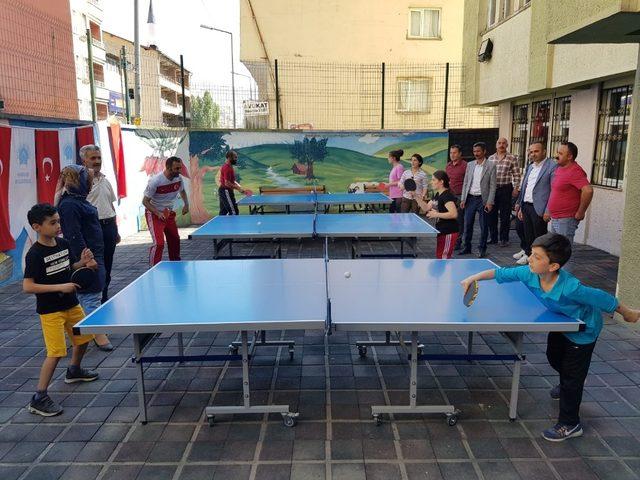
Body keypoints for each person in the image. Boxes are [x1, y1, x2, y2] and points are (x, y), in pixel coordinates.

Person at [460, 233, 639, 441]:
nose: (530, 259)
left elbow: (602, 297)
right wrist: (473, 278)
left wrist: (627, 312)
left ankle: (570, 424)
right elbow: (501, 274)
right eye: (531, 254)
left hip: (583, 330)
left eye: (536, 256)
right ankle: (568, 381)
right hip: (561, 322)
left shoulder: (571, 288)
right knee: (553, 357)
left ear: (553, 266)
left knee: (573, 378)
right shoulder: (529, 273)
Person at [23, 203, 99, 416]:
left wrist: (82, 263)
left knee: (84, 338)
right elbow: (27, 286)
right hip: (51, 311)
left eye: (58, 221)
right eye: (53, 222)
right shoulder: (34, 254)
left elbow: (67, 269)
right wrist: (59, 287)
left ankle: (74, 370)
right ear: (37, 226)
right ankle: (39, 397)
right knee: (56, 352)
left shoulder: (64, 244)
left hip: (71, 304)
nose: (58, 225)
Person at [57, 165, 112, 351]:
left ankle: (82, 328)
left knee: (94, 291)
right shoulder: (70, 204)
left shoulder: (77, 200)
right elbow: (73, 234)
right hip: (87, 254)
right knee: (91, 294)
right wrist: (87, 258)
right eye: (88, 180)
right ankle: (97, 333)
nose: (90, 183)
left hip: (95, 251)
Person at [80, 145, 121, 305]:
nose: (97, 161)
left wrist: (116, 230)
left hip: (109, 227)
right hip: (92, 228)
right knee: (96, 265)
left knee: (108, 264)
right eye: (93, 158)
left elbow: (111, 206)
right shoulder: (81, 183)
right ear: (84, 161)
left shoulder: (105, 179)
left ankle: (104, 299)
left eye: (99, 158)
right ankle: (92, 302)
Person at [142, 156, 189, 266]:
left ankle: (176, 265)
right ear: (168, 167)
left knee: (175, 240)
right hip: (154, 214)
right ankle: (153, 269)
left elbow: (182, 191)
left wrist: (186, 204)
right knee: (159, 244)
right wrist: (158, 213)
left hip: (169, 214)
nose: (179, 171)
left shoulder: (178, 178)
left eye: (180, 168)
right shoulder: (155, 181)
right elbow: (145, 201)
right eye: (176, 169)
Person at [515, 142, 556, 265]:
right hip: (526, 205)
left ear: (544, 151)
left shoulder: (552, 166)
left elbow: (554, 190)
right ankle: (529, 255)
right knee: (527, 233)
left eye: (536, 151)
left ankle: (541, 260)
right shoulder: (530, 166)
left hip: (539, 208)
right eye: (531, 151)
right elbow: (525, 186)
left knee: (539, 236)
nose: (533, 154)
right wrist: (520, 205)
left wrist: (548, 210)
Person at [547, 141, 593, 245]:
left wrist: (581, 212)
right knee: (556, 250)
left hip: (566, 219)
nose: (556, 156)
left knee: (563, 251)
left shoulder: (575, 171)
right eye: (557, 152)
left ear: (570, 157)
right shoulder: (560, 168)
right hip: (556, 218)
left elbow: (588, 190)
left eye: (560, 154)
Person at [459, 142, 496, 258]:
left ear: (484, 151)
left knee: (483, 225)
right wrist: (463, 198)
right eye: (474, 151)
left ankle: (482, 249)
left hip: (483, 199)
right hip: (470, 198)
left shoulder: (491, 165)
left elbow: (493, 186)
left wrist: (490, 202)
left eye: (478, 151)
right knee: (467, 224)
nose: (476, 153)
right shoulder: (470, 165)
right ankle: (466, 247)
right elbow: (465, 182)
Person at [411, 170, 459, 259]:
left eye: (433, 180)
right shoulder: (437, 194)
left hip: (449, 231)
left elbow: (454, 214)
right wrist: (415, 195)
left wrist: (436, 214)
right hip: (441, 230)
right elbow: (426, 208)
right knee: (440, 257)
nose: (431, 182)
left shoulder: (447, 196)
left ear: (441, 182)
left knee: (443, 258)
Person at [488, 138, 521, 247]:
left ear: (507, 145)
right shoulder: (490, 158)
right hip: (492, 190)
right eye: (499, 143)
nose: (501, 145)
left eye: (503, 143)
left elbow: (517, 174)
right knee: (491, 214)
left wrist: (516, 188)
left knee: (505, 215)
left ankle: (504, 238)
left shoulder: (512, 158)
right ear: (496, 145)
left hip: (506, 189)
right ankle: (493, 237)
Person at [445, 144, 467, 250]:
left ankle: (458, 242)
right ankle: (451, 240)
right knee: (450, 220)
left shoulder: (465, 166)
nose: (452, 155)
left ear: (460, 153)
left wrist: (463, 198)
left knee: (459, 220)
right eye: (451, 153)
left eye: (454, 153)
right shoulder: (448, 165)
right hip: (449, 197)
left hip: (460, 197)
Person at [218, 150, 249, 215]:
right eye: (235, 157)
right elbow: (227, 183)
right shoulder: (227, 168)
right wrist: (237, 188)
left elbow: (231, 181)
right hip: (225, 191)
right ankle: (234, 225)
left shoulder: (229, 166)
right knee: (234, 212)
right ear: (229, 157)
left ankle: (222, 225)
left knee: (223, 212)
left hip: (224, 191)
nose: (236, 159)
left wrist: (239, 187)